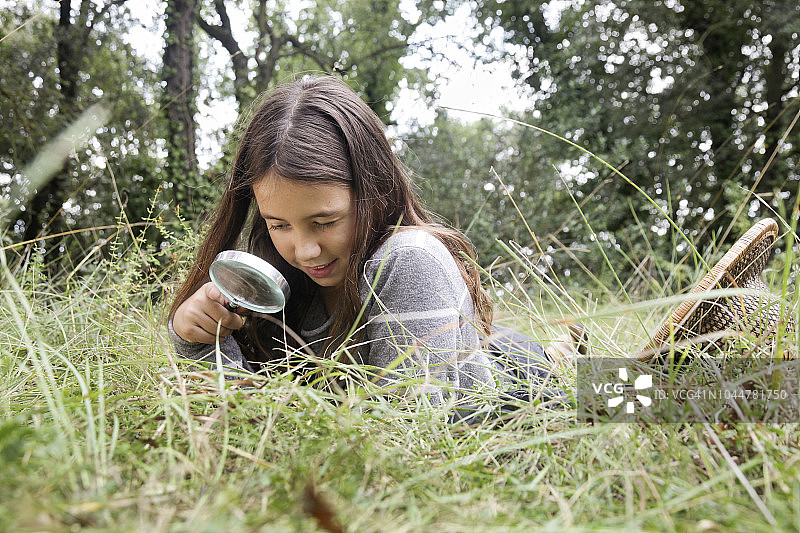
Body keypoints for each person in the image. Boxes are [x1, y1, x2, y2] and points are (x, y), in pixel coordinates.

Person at [167, 75, 560, 412]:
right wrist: (199, 342)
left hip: (527, 382)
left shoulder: (409, 260)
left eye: (324, 222)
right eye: (279, 224)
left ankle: (563, 350)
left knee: (615, 395)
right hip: (478, 348)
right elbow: (250, 425)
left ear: (375, 192)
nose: (305, 251)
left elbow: (405, 434)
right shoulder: (278, 283)